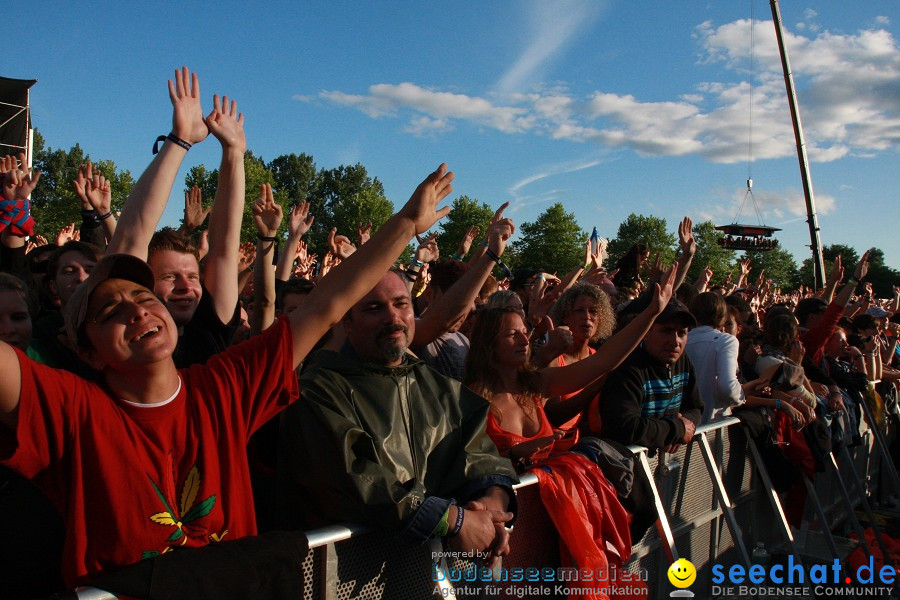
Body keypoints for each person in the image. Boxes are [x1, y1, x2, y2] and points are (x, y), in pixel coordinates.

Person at [0, 152, 456, 586]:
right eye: (109, 312)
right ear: (88, 353)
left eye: (143, 297)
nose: (136, 311)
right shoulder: (71, 409)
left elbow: (326, 303)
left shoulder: (223, 387)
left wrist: (406, 224)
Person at [276, 269, 520, 567]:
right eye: (373, 308)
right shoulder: (318, 390)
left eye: (401, 304)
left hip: (441, 574)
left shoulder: (439, 386)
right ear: (346, 321)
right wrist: (452, 521)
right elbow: (353, 478)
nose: (392, 318)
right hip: (355, 576)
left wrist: (493, 506)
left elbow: (480, 454)